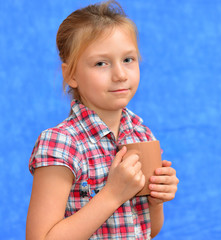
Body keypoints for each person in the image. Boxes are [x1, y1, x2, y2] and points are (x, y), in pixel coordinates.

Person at [26, 1, 179, 239]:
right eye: (101, 63)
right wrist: (113, 194)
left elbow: (148, 230)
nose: (120, 75)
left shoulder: (141, 134)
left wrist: (156, 199)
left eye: (128, 59)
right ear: (71, 75)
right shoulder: (60, 143)